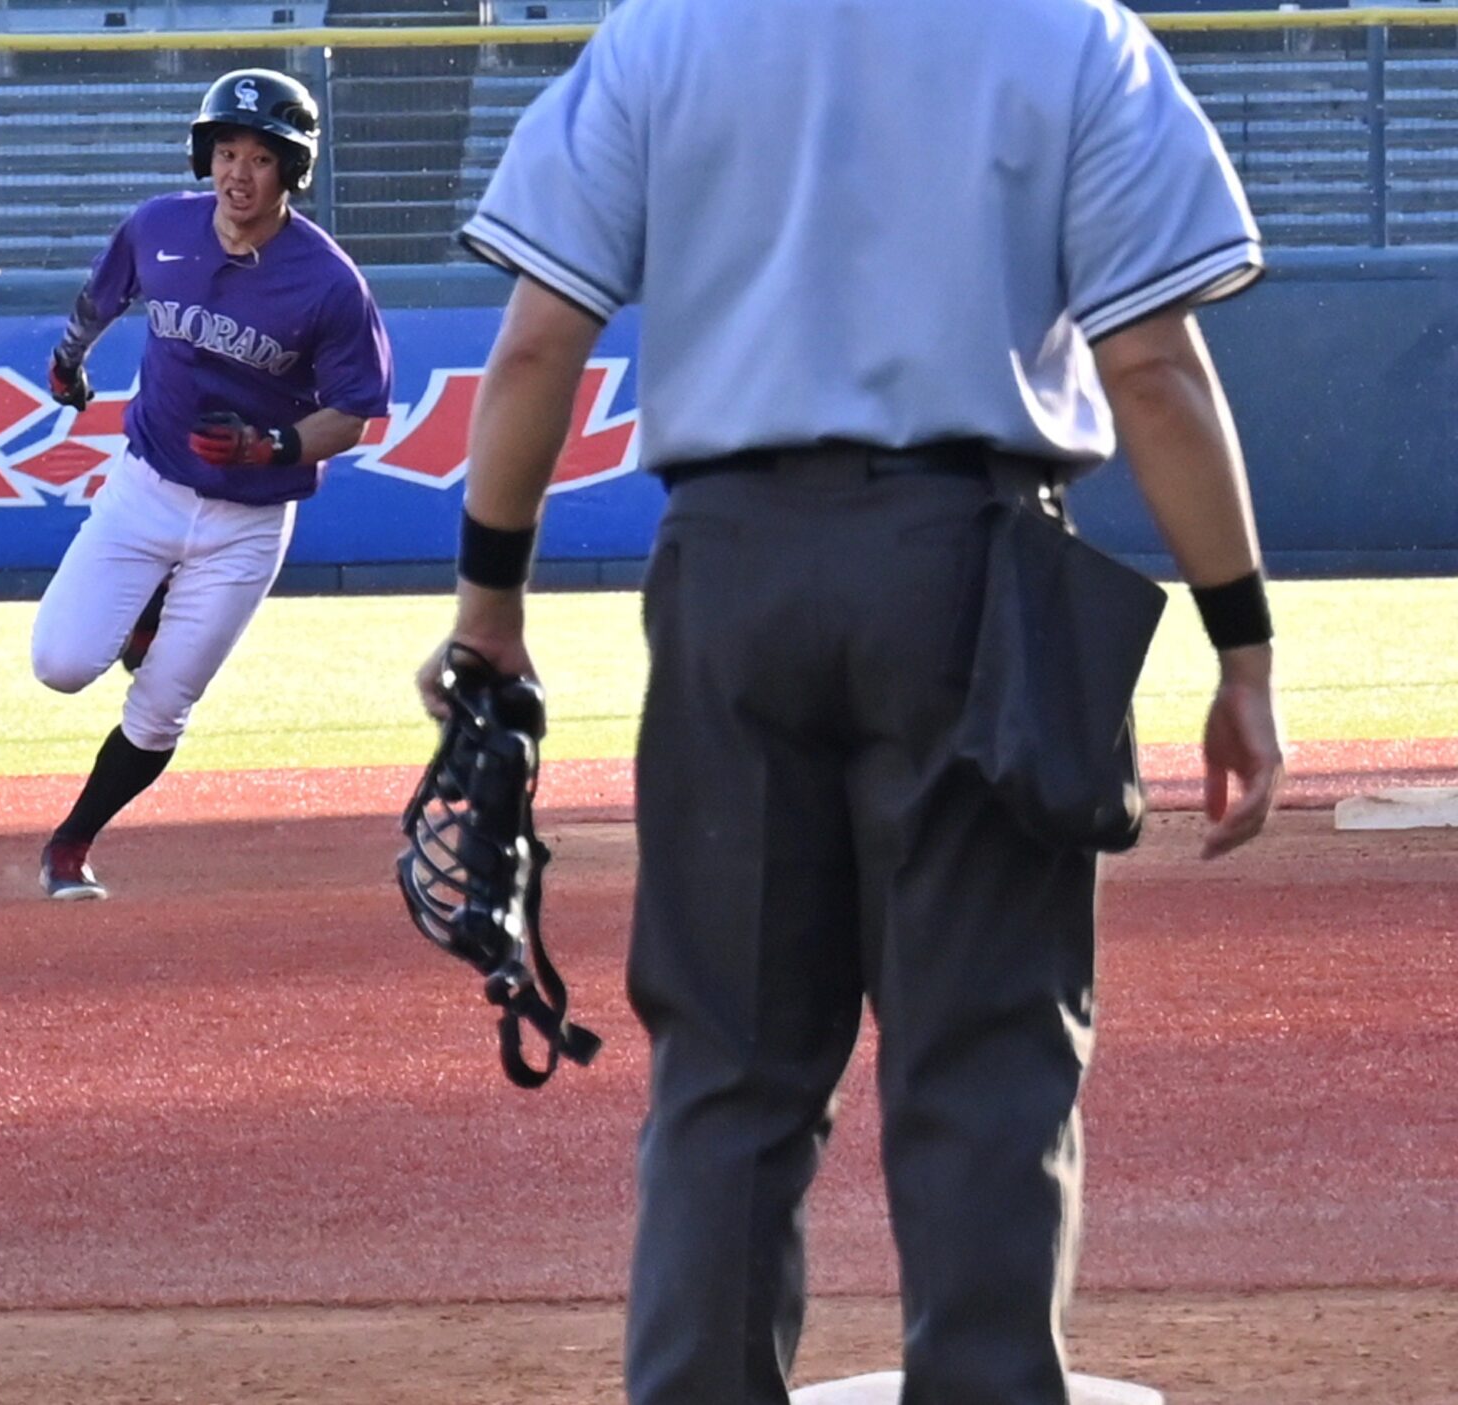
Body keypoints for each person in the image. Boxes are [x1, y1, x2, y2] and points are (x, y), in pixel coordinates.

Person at [423, 0, 1287, 1399]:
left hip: (728, 575)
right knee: (984, 1061)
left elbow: (535, 345)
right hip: (971, 571)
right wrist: (1241, 647)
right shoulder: (1077, 38)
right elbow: (1152, 369)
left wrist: (488, 605)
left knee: (729, 1067)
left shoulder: (658, 35)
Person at [30, 69, 393, 899]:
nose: (239, 173)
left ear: (291, 169)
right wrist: (68, 360)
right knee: (60, 662)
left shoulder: (330, 282)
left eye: (260, 157)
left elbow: (354, 414)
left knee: (162, 707)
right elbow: (100, 298)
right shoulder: (160, 225)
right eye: (226, 151)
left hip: (248, 519)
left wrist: (273, 445)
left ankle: (71, 843)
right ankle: (148, 610)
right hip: (147, 486)